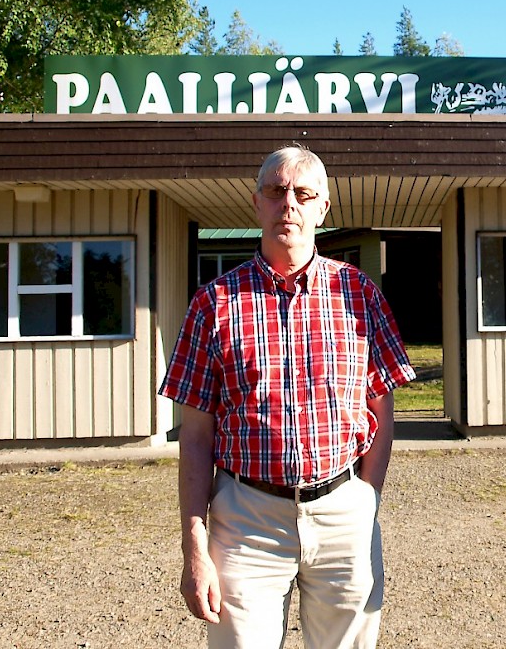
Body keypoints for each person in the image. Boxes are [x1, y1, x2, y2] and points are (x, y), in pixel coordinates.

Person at [160, 145, 416, 649]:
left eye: (303, 194)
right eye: (276, 192)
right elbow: (194, 437)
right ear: (256, 204)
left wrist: (368, 497)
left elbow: (382, 410)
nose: (288, 205)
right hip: (246, 519)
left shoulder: (360, 294)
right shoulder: (213, 304)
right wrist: (194, 545)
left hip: (344, 512)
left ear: (323, 208)